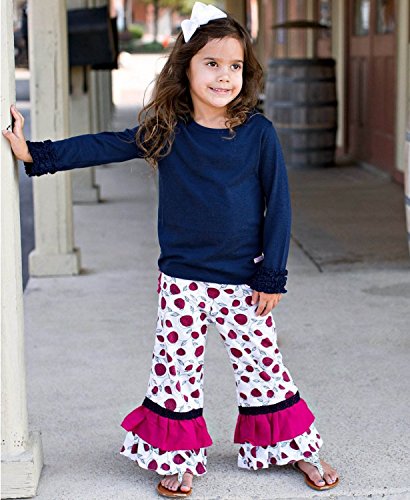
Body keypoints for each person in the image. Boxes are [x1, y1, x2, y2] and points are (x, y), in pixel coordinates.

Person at [3, 2, 339, 497]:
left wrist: (272, 275)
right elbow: (106, 144)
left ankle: (298, 449)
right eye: (212, 63)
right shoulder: (168, 130)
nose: (224, 76)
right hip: (182, 280)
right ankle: (178, 458)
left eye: (235, 66)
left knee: (264, 367)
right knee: (176, 374)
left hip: (243, 280)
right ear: (186, 67)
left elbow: (280, 207)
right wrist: (37, 153)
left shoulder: (258, 134)